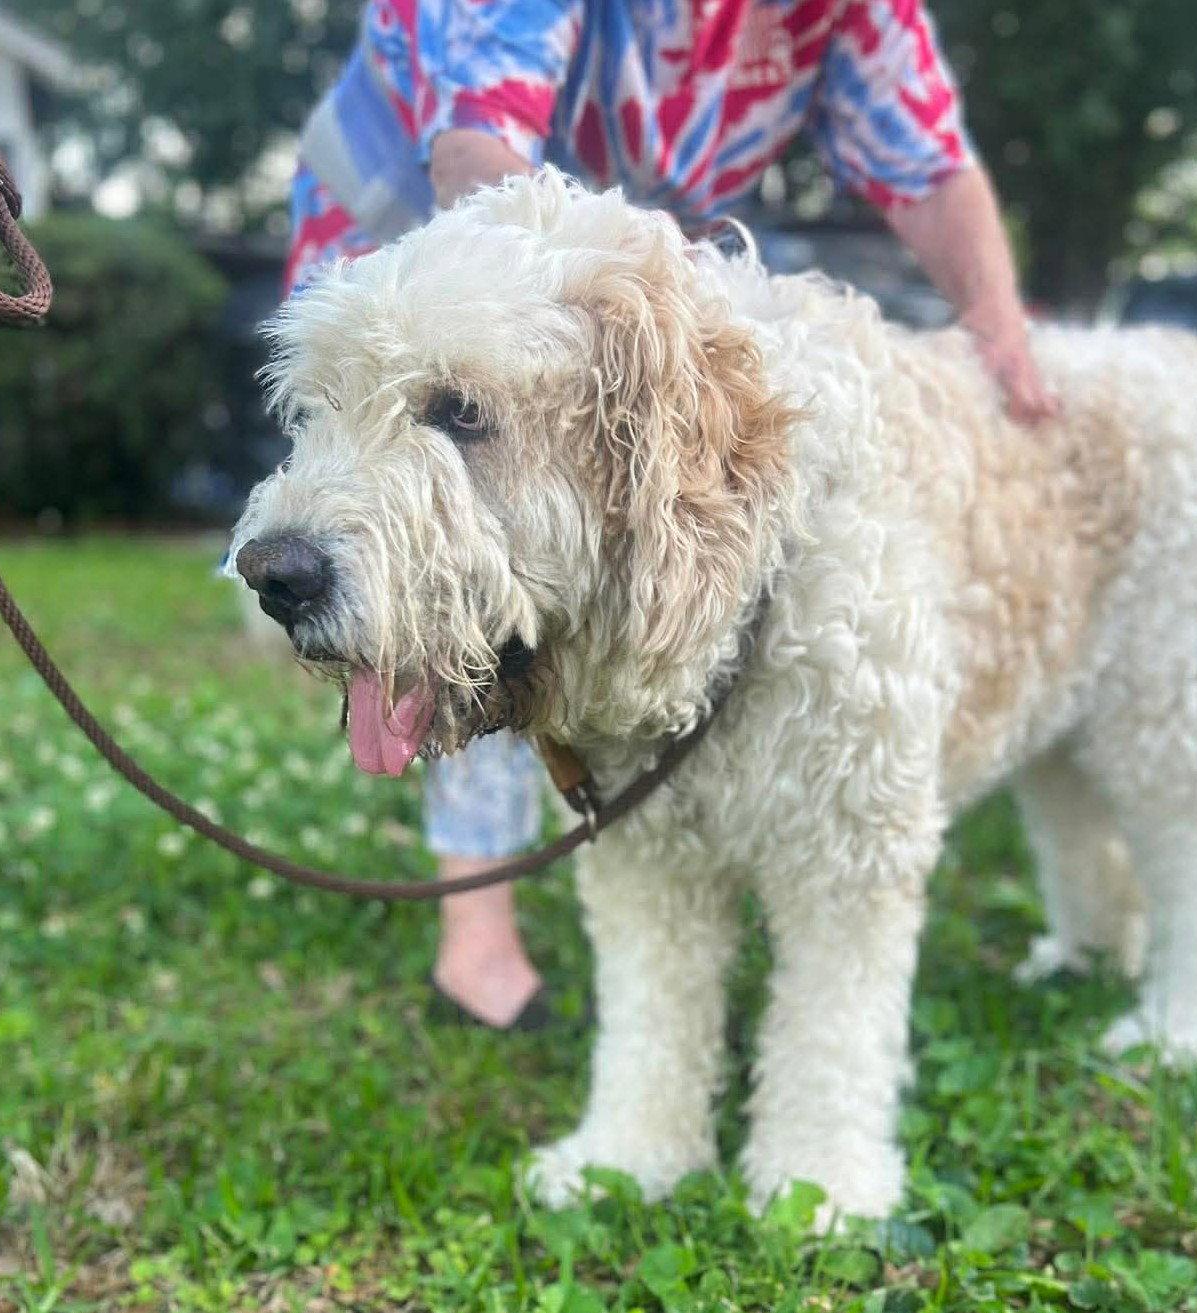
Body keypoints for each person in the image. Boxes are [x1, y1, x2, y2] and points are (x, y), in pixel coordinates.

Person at [286, 0, 1057, 1029]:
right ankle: (477, 939)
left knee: (587, 587)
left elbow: (925, 166)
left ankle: (652, 827)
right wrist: (563, 308)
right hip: (417, 252)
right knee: (440, 576)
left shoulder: (855, 11)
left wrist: (999, 326)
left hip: (599, 270)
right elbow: (480, 135)